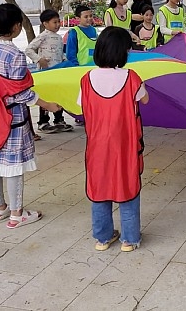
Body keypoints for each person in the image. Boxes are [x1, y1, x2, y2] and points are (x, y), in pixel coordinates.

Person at [0, 3, 61, 228]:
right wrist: (48, 105)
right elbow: (20, 92)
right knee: (13, 165)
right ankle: (17, 213)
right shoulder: (15, 55)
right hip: (11, 117)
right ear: (16, 27)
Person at [79, 27, 148, 252]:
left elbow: (82, 105)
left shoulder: (86, 79)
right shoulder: (132, 78)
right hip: (125, 146)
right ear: (122, 51)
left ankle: (102, 238)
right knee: (127, 187)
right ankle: (129, 239)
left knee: (99, 188)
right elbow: (144, 99)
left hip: (97, 146)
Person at [25, 9, 72, 134]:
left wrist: (65, 60)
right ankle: (43, 122)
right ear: (45, 24)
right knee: (46, 96)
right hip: (46, 72)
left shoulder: (59, 37)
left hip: (58, 72)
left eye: (58, 22)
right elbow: (29, 49)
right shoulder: (43, 36)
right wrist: (39, 60)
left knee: (58, 95)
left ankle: (59, 120)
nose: (57, 25)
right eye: (54, 22)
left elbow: (60, 53)